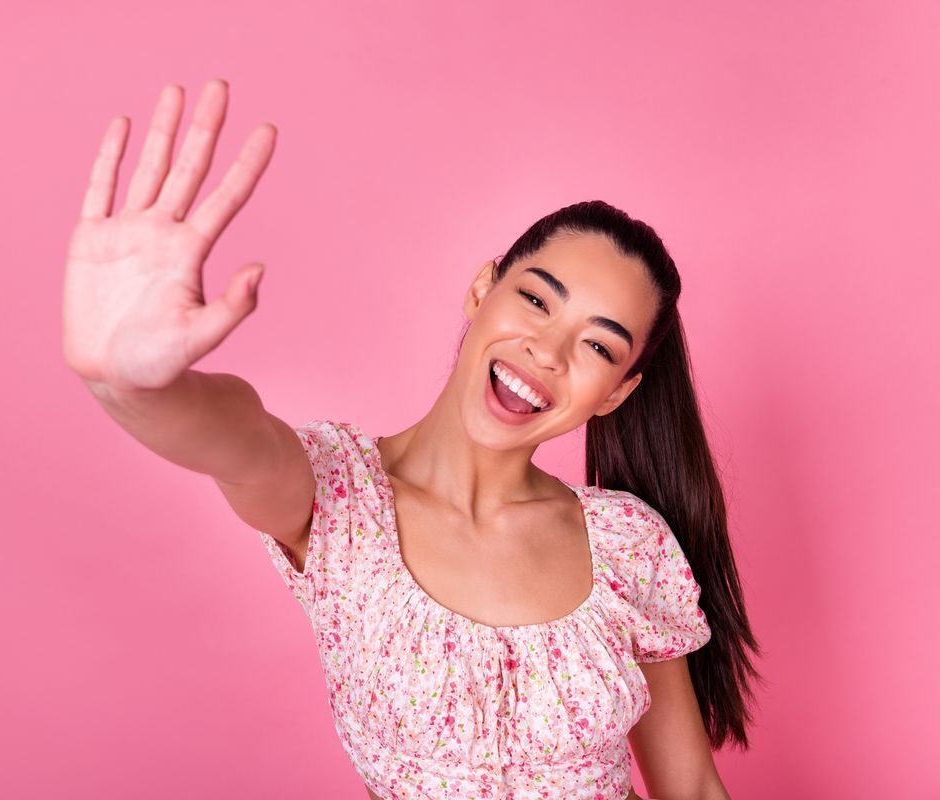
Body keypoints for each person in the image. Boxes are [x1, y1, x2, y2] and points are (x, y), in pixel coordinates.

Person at [61, 78, 762, 800]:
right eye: (535, 299)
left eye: (599, 347)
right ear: (481, 289)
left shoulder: (628, 544)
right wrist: (133, 385)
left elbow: (693, 791)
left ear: (616, 392)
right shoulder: (340, 498)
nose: (547, 351)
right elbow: (233, 436)